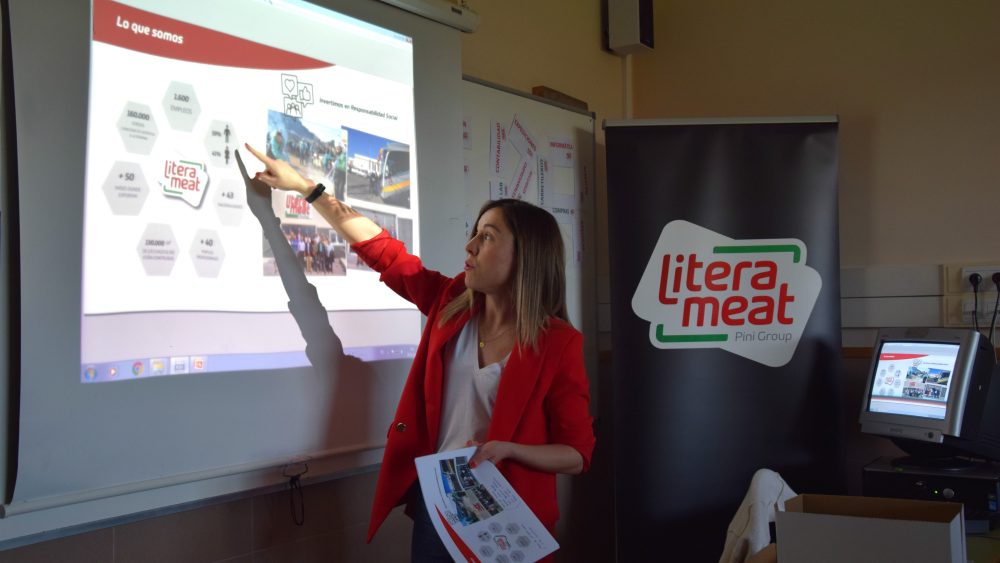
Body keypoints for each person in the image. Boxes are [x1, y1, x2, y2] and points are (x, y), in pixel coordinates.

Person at [242, 143, 595, 562]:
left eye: (487, 237)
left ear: (526, 256)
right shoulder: (451, 304)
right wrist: (306, 188)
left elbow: (577, 455)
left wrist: (510, 449)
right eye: (474, 233)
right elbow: (384, 251)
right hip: (441, 505)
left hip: (508, 520)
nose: (470, 247)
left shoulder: (558, 343)